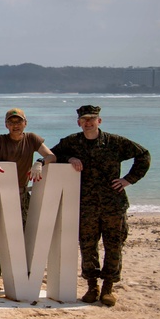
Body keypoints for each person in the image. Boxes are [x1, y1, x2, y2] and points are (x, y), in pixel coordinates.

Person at [51, 105, 150, 307]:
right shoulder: (72, 142)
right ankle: (92, 286)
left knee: (113, 246)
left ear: (99, 121)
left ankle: (108, 288)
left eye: (92, 119)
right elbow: (51, 155)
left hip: (113, 204)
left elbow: (143, 155)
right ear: (79, 122)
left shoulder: (115, 143)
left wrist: (128, 180)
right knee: (88, 246)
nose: (88, 123)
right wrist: (69, 158)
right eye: (84, 119)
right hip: (85, 205)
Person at [0, 108, 56, 226]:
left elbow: (51, 156)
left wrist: (40, 162)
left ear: (25, 123)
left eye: (18, 122)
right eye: (11, 122)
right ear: (6, 125)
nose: (15, 125)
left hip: (22, 194)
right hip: (1, 193)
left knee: (25, 229)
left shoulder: (31, 139)